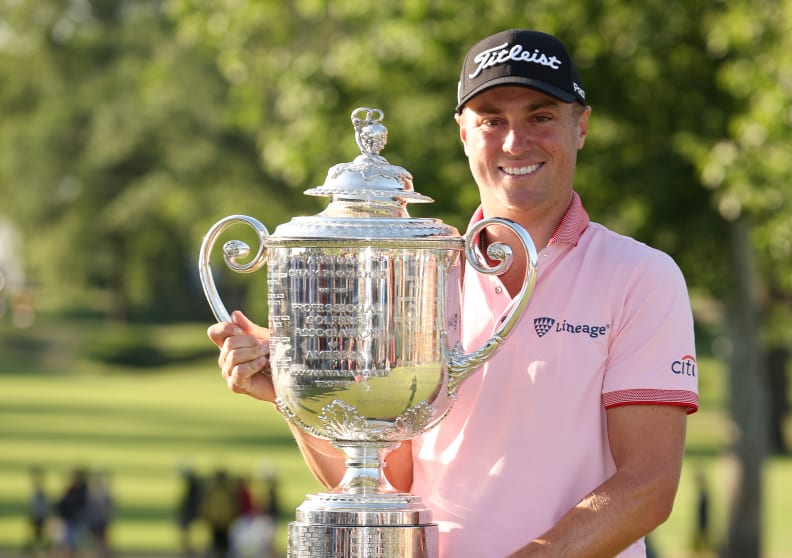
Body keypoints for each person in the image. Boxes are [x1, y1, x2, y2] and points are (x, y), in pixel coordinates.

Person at [208, 29, 698, 557]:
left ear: (580, 127)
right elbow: (389, 479)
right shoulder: (416, 274)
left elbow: (647, 487)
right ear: (464, 133)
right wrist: (297, 391)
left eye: (540, 117)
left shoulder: (639, 275)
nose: (515, 142)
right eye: (492, 120)